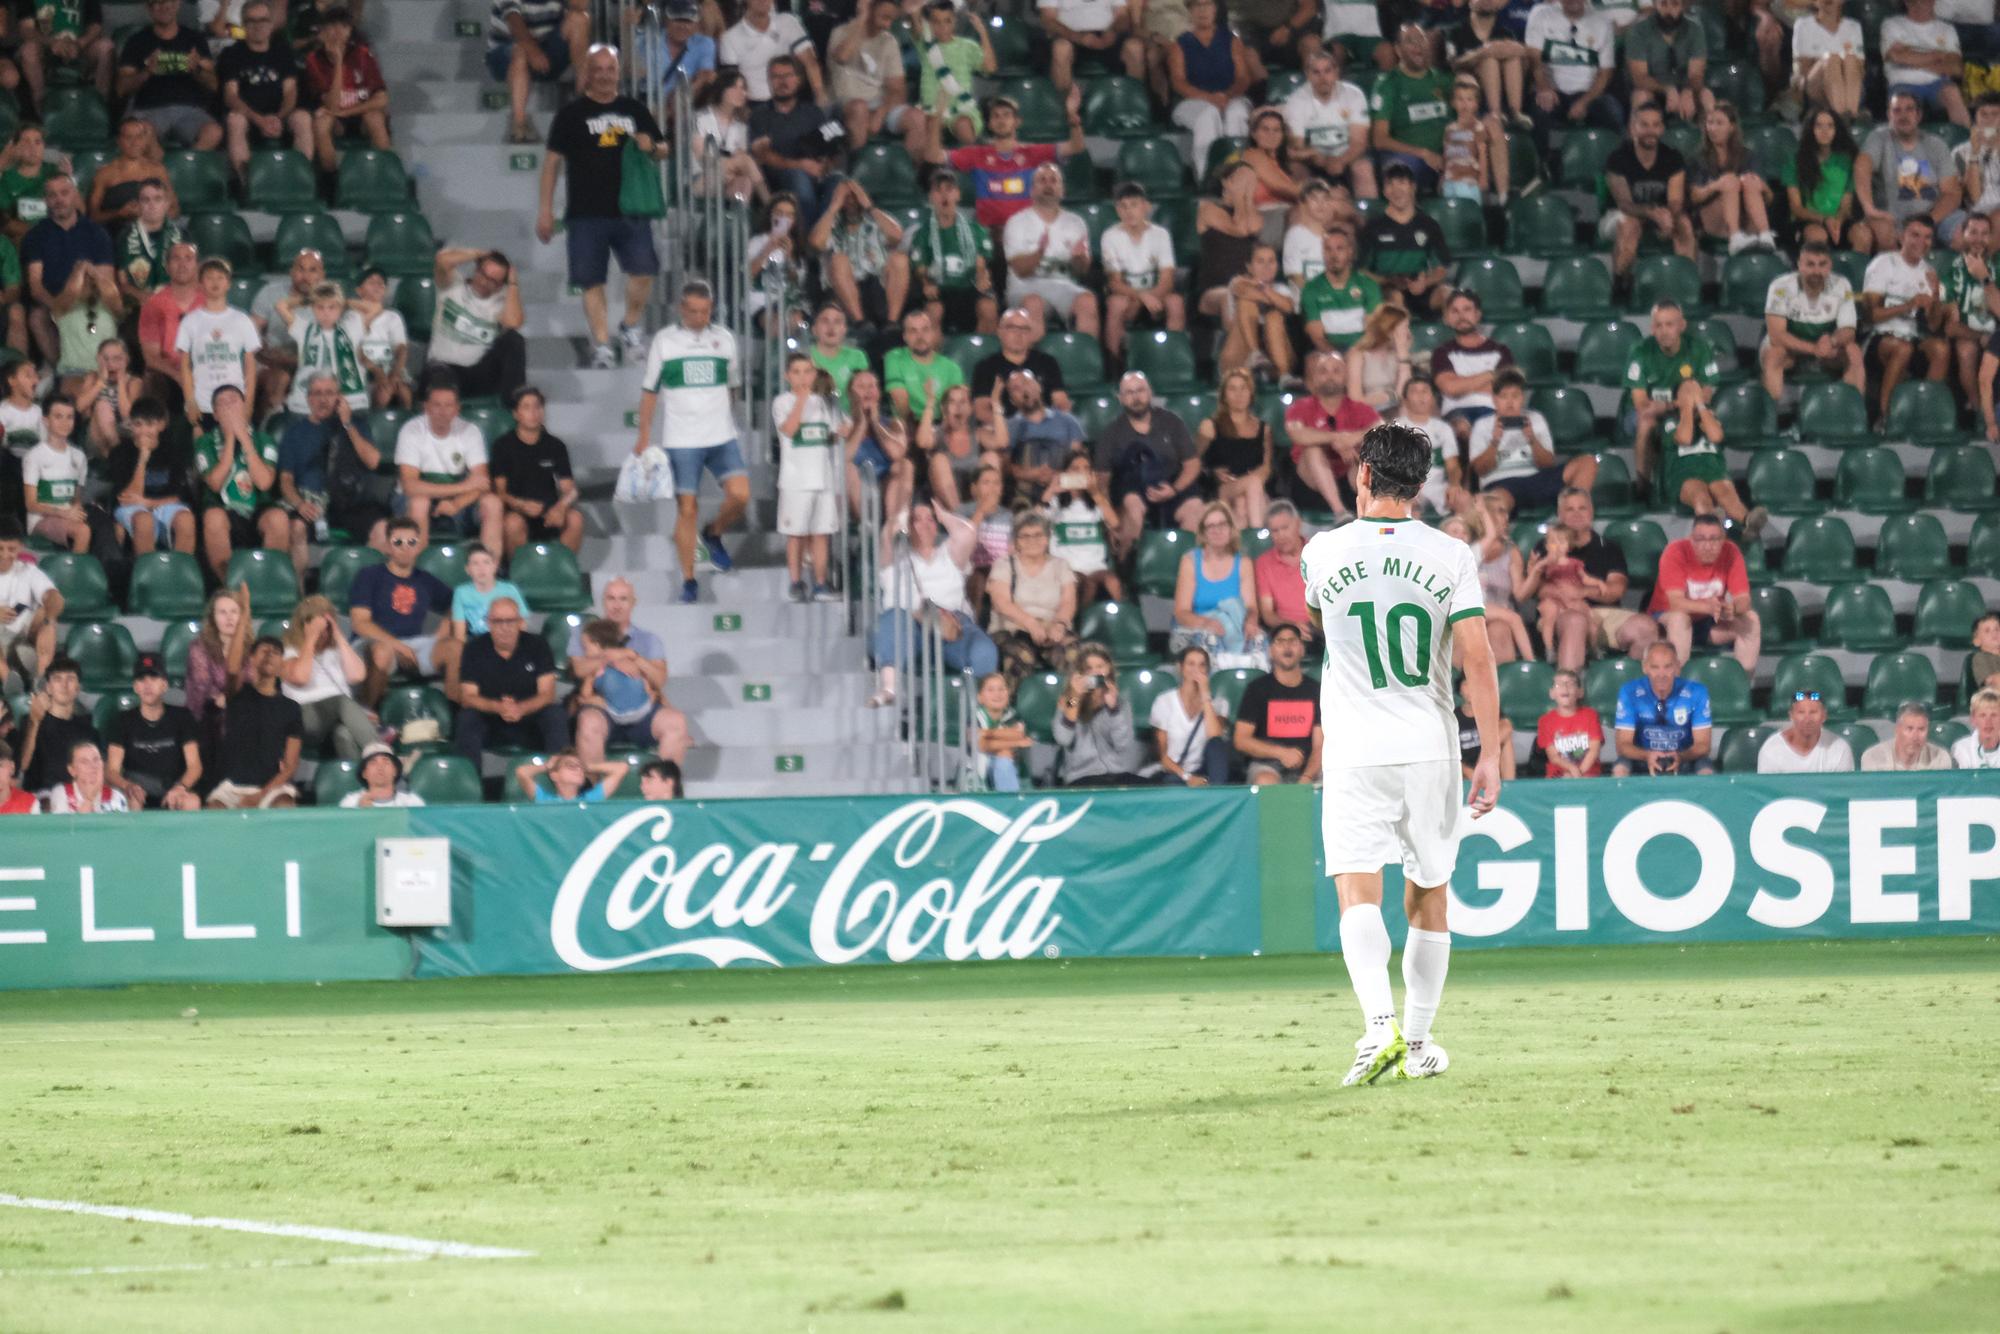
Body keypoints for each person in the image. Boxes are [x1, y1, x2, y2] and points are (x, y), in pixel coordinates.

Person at [1303, 421, 1499, 1084]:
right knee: (1429, 896)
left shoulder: (1321, 552)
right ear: (1420, 485)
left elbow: (1321, 621)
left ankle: (1377, 1030)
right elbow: (1477, 656)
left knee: (1358, 888)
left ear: (1362, 474)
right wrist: (1493, 753)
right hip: (1429, 746)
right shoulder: (1450, 555)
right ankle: (1416, 1046)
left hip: (1355, 746)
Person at [537, 45, 666, 370]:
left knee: (644, 271)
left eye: (611, 69)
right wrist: (545, 209)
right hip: (585, 213)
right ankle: (603, 344)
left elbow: (662, 149)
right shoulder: (571, 114)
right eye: (599, 69)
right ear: (588, 73)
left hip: (631, 208)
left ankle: (630, 325)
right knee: (592, 281)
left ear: (618, 73)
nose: (605, 75)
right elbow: (552, 163)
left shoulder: (634, 109)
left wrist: (653, 147)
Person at [637, 280, 749, 605]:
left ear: (711, 309)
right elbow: (649, 391)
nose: (699, 317)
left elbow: (733, 385)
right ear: (681, 309)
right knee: (687, 509)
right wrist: (644, 434)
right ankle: (689, 579)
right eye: (693, 311)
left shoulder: (725, 339)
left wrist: (727, 416)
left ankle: (713, 532)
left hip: (721, 435)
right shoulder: (665, 341)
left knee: (741, 495)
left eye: (705, 311)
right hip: (681, 439)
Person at [868, 498, 999, 707]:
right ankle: (889, 687)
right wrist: (901, 516)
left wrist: (944, 515)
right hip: (910, 623)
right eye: (917, 520)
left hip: (950, 621)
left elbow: (968, 533)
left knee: (984, 649)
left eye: (930, 519)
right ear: (908, 525)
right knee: (892, 620)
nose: (925, 524)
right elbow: (887, 534)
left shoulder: (948, 553)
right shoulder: (895, 557)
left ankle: (980, 710)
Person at [566, 579, 691, 769]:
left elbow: (659, 680)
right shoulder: (585, 635)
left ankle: (665, 789)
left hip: (643, 711)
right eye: (611, 599)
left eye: (623, 599)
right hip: (602, 709)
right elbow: (579, 669)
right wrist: (611, 656)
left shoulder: (649, 640)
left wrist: (635, 658)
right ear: (603, 601)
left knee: (676, 721)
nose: (616, 605)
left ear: (633, 602)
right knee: (589, 722)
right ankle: (594, 793)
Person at [929, 90, 1088, 233]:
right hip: (987, 234)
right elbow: (933, 156)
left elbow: (1076, 146)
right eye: (996, 116)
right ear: (990, 124)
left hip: (1024, 233)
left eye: (1006, 115)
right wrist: (936, 118)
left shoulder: (1032, 153)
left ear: (1017, 121)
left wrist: (1073, 117)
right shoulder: (977, 154)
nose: (1001, 120)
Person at [1533, 487, 1657, 671]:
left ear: (1591, 512)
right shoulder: (1545, 546)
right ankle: (1570, 689)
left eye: (1582, 508)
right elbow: (1538, 588)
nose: (1577, 514)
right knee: (1576, 621)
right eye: (1570, 509)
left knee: (1645, 627)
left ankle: (1628, 690)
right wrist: (1565, 595)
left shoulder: (1608, 548)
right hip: (1559, 612)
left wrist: (1581, 592)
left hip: (1601, 614)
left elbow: (1615, 590)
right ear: (1560, 514)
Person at [280, 374, 394, 554]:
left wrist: (347, 424)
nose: (323, 399)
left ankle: (369, 579)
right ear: (308, 398)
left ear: (339, 397)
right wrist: (300, 504)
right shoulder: (295, 433)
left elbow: (373, 461)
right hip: (311, 503)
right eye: (317, 394)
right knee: (296, 528)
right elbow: (285, 480)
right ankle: (299, 583)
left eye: (329, 393)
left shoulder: (356, 425)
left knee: (382, 528)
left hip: (349, 503)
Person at [1092, 370, 1205, 553]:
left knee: (1195, 507)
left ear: (1150, 393)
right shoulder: (1111, 433)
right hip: (1132, 490)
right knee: (1132, 505)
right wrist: (1109, 518)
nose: (1136, 397)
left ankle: (1186, 565)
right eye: (1129, 392)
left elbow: (1192, 464)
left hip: (1171, 487)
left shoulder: (1171, 422)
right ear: (1120, 398)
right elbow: (1101, 480)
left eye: (1140, 390)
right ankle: (1129, 565)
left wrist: (1174, 489)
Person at [347, 516, 452, 706]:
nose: (405, 547)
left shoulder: (425, 580)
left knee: (455, 648)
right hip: (372, 644)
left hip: (414, 644)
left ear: (419, 546)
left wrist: (444, 627)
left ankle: (455, 719)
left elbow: (457, 602)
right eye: (398, 542)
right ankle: (367, 715)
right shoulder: (369, 575)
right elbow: (360, 623)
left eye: (412, 542)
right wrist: (398, 646)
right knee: (383, 651)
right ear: (387, 546)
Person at [395, 376, 503, 554]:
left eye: (449, 405)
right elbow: (411, 487)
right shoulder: (411, 430)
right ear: (426, 407)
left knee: (493, 503)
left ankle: (489, 572)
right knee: (420, 503)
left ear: (457, 409)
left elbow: (482, 483)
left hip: (459, 500)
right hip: (412, 500)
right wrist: (463, 487)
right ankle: (418, 574)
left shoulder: (470, 431)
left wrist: (457, 503)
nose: (443, 411)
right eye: (437, 405)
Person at [454, 596, 566, 764]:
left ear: (520, 622)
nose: (504, 627)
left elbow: (548, 693)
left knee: (555, 714)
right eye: (498, 621)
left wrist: (521, 708)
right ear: (488, 623)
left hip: (530, 718)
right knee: (467, 718)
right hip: (490, 720)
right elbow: (468, 697)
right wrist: (498, 707)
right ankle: (472, 786)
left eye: (510, 621)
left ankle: (560, 779)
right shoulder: (474, 648)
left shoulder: (538, 645)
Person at [21, 173, 116, 371]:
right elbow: (36, 286)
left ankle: (101, 371)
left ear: (75, 195)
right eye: (52, 195)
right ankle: (62, 371)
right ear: (46, 200)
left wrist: (77, 302)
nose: (59, 200)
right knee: (37, 317)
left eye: (64, 193)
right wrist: (58, 308)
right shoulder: (35, 236)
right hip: (52, 303)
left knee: (98, 315)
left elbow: (106, 280)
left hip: (89, 301)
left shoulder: (96, 233)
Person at [195, 384, 289, 581]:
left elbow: (264, 483)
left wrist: (245, 441)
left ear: (246, 408)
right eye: (223, 404)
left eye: (234, 401)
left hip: (258, 508)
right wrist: (230, 439)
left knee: (279, 518)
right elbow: (215, 483)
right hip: (222, 507)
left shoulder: (265, 440)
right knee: (213, 517)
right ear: (216, 415)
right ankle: (230, 587)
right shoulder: (205, 442)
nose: (229, 408)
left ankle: (265, 583)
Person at [1623, 299, 1719, 488]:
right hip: (1645, 413)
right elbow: (1641, 404)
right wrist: (1680, 403)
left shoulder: (1699, 349)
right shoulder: (1640, 351)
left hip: (1682, 409)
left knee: (1708, 418)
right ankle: (1643, 486)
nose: (1664, 331)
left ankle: (1709, 480)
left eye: (1669, 325)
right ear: (1652, 328)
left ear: (1682, 325)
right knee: (1646, 421)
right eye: (1659, 325)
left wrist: (1671, 406)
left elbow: (1705, 395)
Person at [772, 352, 843, 602]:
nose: (802, 377)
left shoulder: (824, 403)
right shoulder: (782, 402)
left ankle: (821, 584)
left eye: (807, 372)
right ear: (788, 376)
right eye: (797, 372)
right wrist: (801, 402)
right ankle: (795, 582)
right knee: (797, 534)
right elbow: (789, 430)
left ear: (814, 375)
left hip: (823, 478)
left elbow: (839, 431)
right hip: (795, 481)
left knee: (821, 533)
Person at [1863, 215, 1949, 422]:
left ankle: (1924, 412)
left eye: (1927, 237)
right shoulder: (1883, 263)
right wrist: (1908, 305)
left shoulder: (1929, 272)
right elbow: (1870, 315)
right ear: (1901, 237)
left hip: (1913, 336)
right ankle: (1885, 417)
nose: (1921, 242)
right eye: (1915, 235)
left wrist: (1936, 295)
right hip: (1879, 337)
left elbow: (1933, 324)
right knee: (1902, 348)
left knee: (1941, 349)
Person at [748, 55, 846, 234]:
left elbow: (832, 148)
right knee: (799, 177)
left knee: (838, 182)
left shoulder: (813, 112)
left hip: (815, 174)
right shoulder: (760, 115)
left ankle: (822, 241)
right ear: (769, 81)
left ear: (798, 80)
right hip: (779, 177)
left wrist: (825, 166)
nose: (782, 82)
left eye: (788, 76)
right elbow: (762, 155)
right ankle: (805, 244)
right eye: (776, 77)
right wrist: (799, 165)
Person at [1470, 369, 1595, 508]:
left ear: (1522, 398)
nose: (1510, 402)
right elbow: (1480, 470)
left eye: (1515, 396)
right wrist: (1495, 441)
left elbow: (1547, 464)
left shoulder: (1536, 418)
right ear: (1494, 399)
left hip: (1537, 479)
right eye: (1503, 396)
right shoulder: (1482, 425)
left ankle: (1572, 512)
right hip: (1501, 482)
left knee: (1588, 462)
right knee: (1497, 498)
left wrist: (1532, 439)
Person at [1002, 162, 1100, 341]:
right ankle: (1035, 365)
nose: (1048, 184)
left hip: (1062, 285)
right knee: (1034, 304)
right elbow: (1020, 270)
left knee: (1087, 301)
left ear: (1062, 190)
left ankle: (1084, 361)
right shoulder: (1017, 222)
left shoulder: (1076, 222)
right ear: (1032, 190)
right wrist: (1039, 253)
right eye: (1042, 180)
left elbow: (1081, 271)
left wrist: (1079, 259)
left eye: (1053, 180)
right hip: (1025, 286)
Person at [1649, 515, 1760, 671]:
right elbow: (1675, 602)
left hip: (1708, 623)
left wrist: (1733, 609)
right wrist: (1709, 607)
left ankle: (1742, 685)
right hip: (1666, 619)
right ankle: (1677, 687)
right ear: (1691, 539)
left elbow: (1744, 599)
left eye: (1714, 539)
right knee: (1680, 619)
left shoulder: (1731, 552)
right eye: (1700, 539)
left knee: (1751, 619)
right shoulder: (1676, 551)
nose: (1707, 546)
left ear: (1723, 540)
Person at [1856, 90, 1961, 254]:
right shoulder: (1879, 138)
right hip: (1893, 219)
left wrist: (1927, 222)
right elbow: (1862, 166)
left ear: (1918, 115)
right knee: (1883, 231)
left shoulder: (1936, 144)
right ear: (1889, 115)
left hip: (1934, 217)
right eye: (1897, 110)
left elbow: (1952, 193)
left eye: (1909, 109)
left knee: (1967, 232)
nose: (1903, 115)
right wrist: (1869, 208)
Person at [206, 635, 302, 808]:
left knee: (285, 805)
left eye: (276, 652)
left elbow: (290, 766)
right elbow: (232, 670)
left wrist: (259, 796)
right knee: (214, 811)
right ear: (252, 658)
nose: (270, 654)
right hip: (232, 787)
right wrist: (242, 619)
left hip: (271, 788)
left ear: (282, 663)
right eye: (264, 650)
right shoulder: (236, 695)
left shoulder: (291, 708)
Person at [1603, 103, 1696, 281]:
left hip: (1660, 214)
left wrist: (1669, 218)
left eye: (1655, 125)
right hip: (1618, 216)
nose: (1650, 130)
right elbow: (1625, 204)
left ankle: (1686, 282)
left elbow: (1675, 201)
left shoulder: (1672, 157)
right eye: (1644, 125)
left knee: (1683, 223)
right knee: (1630, 224)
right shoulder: (1617, 158)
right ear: (1633, 128)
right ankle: (1620, 283)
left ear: (1662, 128)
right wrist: (1652, 213)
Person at [219, 0, 313, 176]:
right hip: (248, 116)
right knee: (234, 120)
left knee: (303, 118)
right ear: (243, 24)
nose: (258, 26)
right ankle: (247, 185)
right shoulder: (231, 54)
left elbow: (290, 92)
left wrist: (278, 117)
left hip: (279, 116)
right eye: (251, 21)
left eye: (263, 20)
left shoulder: (283, 52)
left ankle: (300, 179)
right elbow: (230, 96)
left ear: (271, 24)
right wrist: (259, 120)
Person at [1525, 0, 1619, 174]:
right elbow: (1535, 62)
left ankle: (1612, 171)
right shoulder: (1542, 15)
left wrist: (1585, 101)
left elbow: (1605, 73)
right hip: (1552, 90)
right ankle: (1547, 169)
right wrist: (1544, 88)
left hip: (1588, 93)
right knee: (1541, 112)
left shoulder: (1602, 22)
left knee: (1611, 111)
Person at [277, 595, 375, 762]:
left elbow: (358, 676)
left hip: (335, 719)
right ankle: (382, 755)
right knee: (341, 701)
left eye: (327, 627)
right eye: (318, 628)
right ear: (303, 626)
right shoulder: (287, 652)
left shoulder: (335, 651)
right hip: (304, 718)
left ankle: (363, 779)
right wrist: (310, 639)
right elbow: (300, 677)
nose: (323, 633)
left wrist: (338, 635)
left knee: (343, 734)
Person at [1762, 241, 1864, 399]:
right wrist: (1813, 349)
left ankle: (1851, 412)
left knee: (1854, 352)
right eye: (1810, 264)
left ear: (1829, 266)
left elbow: (1848, 331)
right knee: (1773, 355)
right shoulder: (1780, 287)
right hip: (1791, 349)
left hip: (1826, 349)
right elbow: (1777, 336)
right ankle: (1770, 416)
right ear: (1799, 265)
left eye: (1822, 264)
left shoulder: (1842, 285)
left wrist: (1832, 341)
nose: (1817, 271)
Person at [1285, 350, 1379, 521]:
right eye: (1323, 371)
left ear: (1345, 377)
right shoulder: (1300, 407)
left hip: (1348, 477)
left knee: (1370, 455)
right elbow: (1298, 434)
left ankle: (1379, 511)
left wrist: (1353, 439)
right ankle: (1340, 512)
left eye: (1336, 371)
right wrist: (1337, 439)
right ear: (1314, 378)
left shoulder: (1358, 408)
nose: (1330, 376)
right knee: (1312, 450)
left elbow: (1382, 429)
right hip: (1309, 484)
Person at [489, 386, 582, 557]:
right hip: (517, 511)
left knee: (575, 518)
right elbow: (500, 491)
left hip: (550, 512)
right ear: (516, 414)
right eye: (526, 407)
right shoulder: (503, 446)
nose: (534, 412)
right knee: (512, 523)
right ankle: (521, 575)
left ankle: (562, 572)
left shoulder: (556, 446)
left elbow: (570, 489)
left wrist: (561, 507)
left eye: (537, 406)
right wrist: (521, 505)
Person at [1167, 0, 1258, 174]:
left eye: (1207, 5)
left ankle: (1239, 172)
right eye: (1197, 6)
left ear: (1215, 9)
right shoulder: (1180, 43)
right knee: (1207, 116)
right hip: (1193, 100)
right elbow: (1178, 81)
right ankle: (1207, 176)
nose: (1203, 11)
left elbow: (1243, 78)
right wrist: (1210, 98)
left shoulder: (1232, 40)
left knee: (1237, 114)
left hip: (1231, 96)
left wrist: (1226, 96)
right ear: (1190, 10)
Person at [906, 165, 998, 336]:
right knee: (934, 309)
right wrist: (927, 283)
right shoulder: (923, 233)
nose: (944, 195)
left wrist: (982, 277)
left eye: (949, 189)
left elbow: (981, 264)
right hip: (940, 289)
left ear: (958, 195)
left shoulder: (976, 230)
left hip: (968, 288)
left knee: (988, 307)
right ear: (931, 197)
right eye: (938, 190)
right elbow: (920, 268)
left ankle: (981, 355)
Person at [117, 0, 221, 151]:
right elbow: (121, 88)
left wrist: (197, 69)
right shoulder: (137, 41)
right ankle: (159, 171)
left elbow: (213, 84)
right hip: (148, 109)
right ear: (149, 8)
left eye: (169, 2)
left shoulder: (195, 39)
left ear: (178, 4)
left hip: (189, 110)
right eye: (158, 3)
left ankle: (186, 167)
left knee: (214, 132)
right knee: (142, 131)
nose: (164, 7)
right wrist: (147, 71)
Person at [986, 511, 1077, 682]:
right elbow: (1001, 603)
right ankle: (1011, 706)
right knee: (1021, 657)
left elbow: (1068, 601)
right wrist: (1032, 625)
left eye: (1038, 535)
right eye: (1025, 536)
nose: (1032, 541)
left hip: (1052, 630)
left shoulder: (1060, 565)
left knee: (1075, 658)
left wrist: (1059, 625)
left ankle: (1071, 706)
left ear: (1047, 538)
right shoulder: (1004, 565)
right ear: (1016, 541)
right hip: (1012, 631)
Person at [810, 179, 908, 333]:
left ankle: (892, 323)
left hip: (879, 289)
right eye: (845, 198)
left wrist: (869, 206)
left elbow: (897, 236)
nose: (851, 201)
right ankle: (860, 323)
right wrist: (833, 207)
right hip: (845, 294)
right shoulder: (831, 224)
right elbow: (816, 243)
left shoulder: (877, 220)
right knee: (838, 259)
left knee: (899, 259)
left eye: (855, 196)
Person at [1171, 502, 1264, 662]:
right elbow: (1181, 612)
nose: (1217, 530)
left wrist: (1250, 621)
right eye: (1210, 526)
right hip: (1197, 627)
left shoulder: (1243, 562)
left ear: (1231, 528)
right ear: (1203, 533)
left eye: (1222, 524)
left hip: (1235, 625)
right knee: (1210, 642)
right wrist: (1206, 623)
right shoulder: (1190, 561)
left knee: (1259, 641)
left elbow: (1251, 607)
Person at [1100, 182, 1184, 360]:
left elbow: (1167, 279)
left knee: (1175, 302)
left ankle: (1171, 358)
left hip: (1156, 293)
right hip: (1128, 294)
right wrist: (1141, 298)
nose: (1129, 211)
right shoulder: (1110, 236)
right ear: (1117, 210)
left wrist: (1150, 298)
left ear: (1146, 206)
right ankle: (1115, 362)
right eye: (1123, 206)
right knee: (1116, 305)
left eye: (1134, 205)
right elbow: (1114, 282)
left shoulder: (1160, 235)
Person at [830, 0, 925, 157]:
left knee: (917, 118)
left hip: (880, 105)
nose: (887, 25)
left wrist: (881, 112)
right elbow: (841, 56)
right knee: (860, 109)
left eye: (891, 19)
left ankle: (905, 173)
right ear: (870, 10)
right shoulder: (841, 33)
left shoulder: (889, 41)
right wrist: (862, 18)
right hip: (845, 105)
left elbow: (897, 89)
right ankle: (858, 172)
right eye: (884, 17)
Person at [490, 0, 591, 145]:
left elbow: (581, 5)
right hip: (505, 54)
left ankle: (586, 103)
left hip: (547, 51)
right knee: (520, 51)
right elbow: (513, 20)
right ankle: (519, 123)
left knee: (579, 19)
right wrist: (532, 50)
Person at [174, 258, 260, 427]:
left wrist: (248, 403)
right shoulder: (190, 321)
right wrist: (190, 401)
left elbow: (250, 366)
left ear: (228, 284)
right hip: (202, 403)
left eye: (220, 278)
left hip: (234, 401)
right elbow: (185, 366)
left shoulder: (242, 320)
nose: (215, 282)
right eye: (209, 278)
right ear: (200, 284)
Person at [1284, 46, 1376, 200]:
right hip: (1313, 159)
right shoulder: (1296, 101)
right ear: (1308, 75)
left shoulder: (1353, 95)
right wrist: (1318, 158)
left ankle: (1368, 219)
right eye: (1316, 72)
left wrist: (1340, 161)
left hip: (1347, 155)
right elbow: (1297, 146)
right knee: (1296, 168)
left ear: (1336, 72)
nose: (1323, 78)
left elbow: (1359, 141)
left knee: (1363, 168)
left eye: (1327, 71)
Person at [1360, 163, 1451, 317]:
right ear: (1384, 191)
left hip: (1420, 290)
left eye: (1401, 183)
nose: (1396, 190)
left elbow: (1441, 269)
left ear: (1412, 187)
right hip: (1386, 290)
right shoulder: (1373, 227)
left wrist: (1424, 283)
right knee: (1395, 298)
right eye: (1390, 184)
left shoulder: (1429, 225)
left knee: (1449, 295)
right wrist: (1388, 281)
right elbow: (1362, 270)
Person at [109, 394, 195, 558]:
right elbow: (126, 498)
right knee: (144, 520)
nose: (143, 431)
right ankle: (148, 576)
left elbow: (177, 497)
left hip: (160, 504)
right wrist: (143, 458)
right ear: (131, 425)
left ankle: (181, 575)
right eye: (138, 424)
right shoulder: (120, 452)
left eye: (150, 424)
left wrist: (148, 503)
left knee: (186, 520)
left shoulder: (173, 452)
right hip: (131, 509)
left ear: (161, 425)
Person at [1370, 23, 1454, 190]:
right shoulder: (1388, 84)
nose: (1418, 46)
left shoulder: (1444, 81)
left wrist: (1450, 155)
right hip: (1408, 158)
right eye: (1410, 41)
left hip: (1446, 157)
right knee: (1403, 171)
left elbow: (1462, 122)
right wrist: (1423, 153)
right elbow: (1379, 139)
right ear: (1398, 50)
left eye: (1421, 40)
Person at [1612, 640, 1713, 776]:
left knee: (1706, 770)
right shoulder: (1629, 692)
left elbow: (1703, 745)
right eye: (1655, 667)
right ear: (1645, 667)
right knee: (1620, 769)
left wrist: (1681, 756)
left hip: (1684, 757)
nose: (1661, 674)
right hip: (1642, 758)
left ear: (1678, 667)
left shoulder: (1697, 692)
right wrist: (1647, 755)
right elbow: (1623, 745)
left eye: (1668, 667)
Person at [1052, 642, 1144, 786]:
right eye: (1089, 668)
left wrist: (1114, 710)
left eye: (1100, 667)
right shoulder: (1068, 700)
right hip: (1083, 776)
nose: (1095, 672)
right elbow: (1063, 738)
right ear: (1080, 673)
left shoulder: (1120, 703)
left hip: (1117, 774)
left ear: (1109, 669)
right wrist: (1075, 697)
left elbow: (1124, 745)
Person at [1690, 102, 1776, 255]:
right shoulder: (1699, 158)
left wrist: (1761, 185)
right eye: (1710, 123)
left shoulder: (1747, 155)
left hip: (1747, 219)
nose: (1713, 128)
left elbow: (1769, 198)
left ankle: (1765, 235)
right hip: (1715, 220)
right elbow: (1694, 197)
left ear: (1732, 127)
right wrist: (1716, 185)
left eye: (1719, 123)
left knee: (1749, 182)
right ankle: (1735, 237)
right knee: (1730, 182)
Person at [1430, 287, 1511, 447]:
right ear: (1447, 318)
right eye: (1455, 311)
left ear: (1477, 314)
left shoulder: (1500, 351)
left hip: (1493, 411)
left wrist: (1462, 383)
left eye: (1467, 310)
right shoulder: (1442, 352)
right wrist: (1490, 375)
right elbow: (1450, 388)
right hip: (1456, 412)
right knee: (1461, 428)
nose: (1462, 316)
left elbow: (1505, 390)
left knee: (1490, 428)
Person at [275, 279, 369, 416]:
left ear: (340, 309)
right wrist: (308, 300)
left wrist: (345, 302)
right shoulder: (303, 328)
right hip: (307, 401)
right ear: (313, 309)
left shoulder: (351, 328)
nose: (326, 313)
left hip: (349, 400)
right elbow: (280, 306)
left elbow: (374, 308)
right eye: (320, 307)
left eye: (332, 307)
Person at [1042, 450, 1121, 606]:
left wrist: (1096, 493)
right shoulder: (1056, 503)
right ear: (1065, 472)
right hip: (1067, 566)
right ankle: (1081, 624)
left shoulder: (1096, 502)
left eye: (1086, 468)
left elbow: (1114, 523)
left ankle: (1118, 622)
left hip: (1095, 565)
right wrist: (1051, 490)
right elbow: (1037, 520)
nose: (1081, 472)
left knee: (1113, 582)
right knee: (1086, 584)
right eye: (1075, 469)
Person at [909, 0, 992, 145]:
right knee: (923, 128)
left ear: (954, 22)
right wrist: (917, 11)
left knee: (964, 126)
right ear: (930, 24)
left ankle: (970, 163)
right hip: (931, 108)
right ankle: (928, 167)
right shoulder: (925, 44)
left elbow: (990, 68)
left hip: (961, 107)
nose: (942, 26)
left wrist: (983, 33)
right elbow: (916, 26)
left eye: (947, 21)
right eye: (936, 22)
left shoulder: (967, 46)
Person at [1199, 368, 1273, 528]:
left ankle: (1245, 545)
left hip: (1253, 489)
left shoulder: (1263, 428)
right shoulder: (1210, 426)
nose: (1239, 394)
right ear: (1224, 395)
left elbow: (1266, 467)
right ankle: (1257, 534)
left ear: (1251, 393)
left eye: (1243, 388)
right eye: (1232, 389)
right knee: (1253, 485)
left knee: (1243, 503)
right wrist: (1213, 472)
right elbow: (1194, 462)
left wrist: (1255, 478)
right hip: (1223, 488)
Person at [1445, 0, 1532, 134]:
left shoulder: (1505, 32)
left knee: (1513, 57)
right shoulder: (1455, 30)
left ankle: (1516, 113)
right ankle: (1495, 113)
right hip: (1471, 89)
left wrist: (1519, 50)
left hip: (1502, 90)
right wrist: (1481, 54)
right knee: (1488, 59)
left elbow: (1523, 65)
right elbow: (1454, 64)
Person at [1152, 644, 1233, 786]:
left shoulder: (1219, 704)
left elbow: (1215, 737)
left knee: (1217, 746)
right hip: (1175, 772)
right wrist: (1187, 777)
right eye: (1191, 664)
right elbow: (1164, 757)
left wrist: (1205, 696)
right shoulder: (1164, 701)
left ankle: (1218, 790)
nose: (1196, 670)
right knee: (1173, 783)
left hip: (1204, 769)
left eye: (1202, 665)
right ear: (1180, 667)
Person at [1217, 241, 1297, 382]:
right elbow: (1245, 292)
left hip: (1275, 357)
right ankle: (1255, 354)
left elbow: (1289, 307)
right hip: (1239, 355)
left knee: (1274, 317)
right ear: (1249, 267)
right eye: (1260, 261)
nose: (1267, 267)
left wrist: (1263, 287)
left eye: (1271, 261)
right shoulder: (1238, 283)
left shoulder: (1282, 288)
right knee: (1246, 303)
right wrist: (1273, 299)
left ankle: (1284, 376)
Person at [1882, 0, 1969, 129]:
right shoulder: (1892, 24)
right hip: (1902, 83)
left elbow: (1956, 68)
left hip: (1937, 83)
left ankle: (1968, 143)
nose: (1922, 3)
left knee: (1952, 92)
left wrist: (1910, 57)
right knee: (1902, 104)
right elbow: (1895, 57)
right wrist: (1937, 56)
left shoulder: (1947, 29)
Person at [1941, 210, 1997, 408]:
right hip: (1971, 333)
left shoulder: (1998, 266)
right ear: (1962, 234)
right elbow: (1951, 327)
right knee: (1965, 349)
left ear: (1991, 237)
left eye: (1984, 233)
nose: (1978, 239)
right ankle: (1978, 407)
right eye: (1973, 232)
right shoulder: (1950, 272)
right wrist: (1981, 337)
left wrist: (1984, 277)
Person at [17, 655, 97, 794]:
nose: (64, 685)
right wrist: (35, 723)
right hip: (41, 797)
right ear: (48, 687)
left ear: (78, 687)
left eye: (70, 679)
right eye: (57, 679)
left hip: (78, 797)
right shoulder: (30, 721)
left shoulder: (87, 727)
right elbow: (22, 766)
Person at [21, 394, 90, 554]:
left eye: (69, 417)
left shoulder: (79, 457)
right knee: (82, 531)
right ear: (46, 420)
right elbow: (31, 504)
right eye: (58, 417)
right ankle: (75, 577)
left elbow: (76, 499)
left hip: (68, 516)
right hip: (41, 519)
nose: (65, 423)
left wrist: (75, 511)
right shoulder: (34, 456)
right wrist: (63, 513)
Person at [971, 307, 1068, 420]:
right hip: (1005, 431)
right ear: (1000, 332)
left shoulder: (1047, 362)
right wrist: (1007, 429)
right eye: (1012, 328)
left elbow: (1061, 402)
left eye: (1024, 329)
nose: (1019, 334)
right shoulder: (985, 367)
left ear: (1031, 334)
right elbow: (982, 409)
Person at [718, 0, 821, 106]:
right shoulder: (729, 38)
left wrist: (819, 94)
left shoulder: (788, 22)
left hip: (793, 101)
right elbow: (731, 84)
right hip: (755, 106)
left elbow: (810, 62)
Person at [0, 516, 62, 689]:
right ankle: (9, 681)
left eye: (11, 549)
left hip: (24, 634)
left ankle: (41, 678)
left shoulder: (29, 571)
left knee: (46, 616)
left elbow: (54, 597)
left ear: (20, 547)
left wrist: (50, 611)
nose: (5, 555)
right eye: (0, 549)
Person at [1624, 0, 1710, 122]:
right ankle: (1636, 139)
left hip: (1684, 88)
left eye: (1675, 4)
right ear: (1654, 4)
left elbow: (1696, 75)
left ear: (1682, 6)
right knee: (1641, 96)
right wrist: (1667, 89)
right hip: (1654, 89)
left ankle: (1709, 139)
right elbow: (1639, 78)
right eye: (1663, 4)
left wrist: (1689, 90)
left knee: (1706, 96)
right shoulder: (1638, 32)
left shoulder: (1695, 30)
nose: (1669, 11)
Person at [1299, 227, 1381, 355]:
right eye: (1328, 249)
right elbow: (1317, 337)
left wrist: (1354, 355)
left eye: (1340, 248)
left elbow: (1372, 331)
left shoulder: (1368, 285)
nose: (1333, 255)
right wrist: (1336, 356)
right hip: (1327, 353)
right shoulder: (1311, 289)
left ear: (1350, 252)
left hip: (1362, 352)